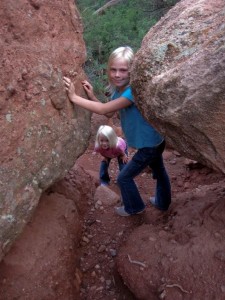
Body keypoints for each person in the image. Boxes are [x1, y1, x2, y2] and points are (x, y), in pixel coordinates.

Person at [63, 46, 171, 217]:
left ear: (132, 71)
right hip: (154, 141)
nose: (117, 74)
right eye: (113, 69)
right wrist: (91, 96)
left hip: (150, 145)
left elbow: (103, 109)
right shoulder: (119, 91)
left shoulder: (131, 92)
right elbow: (108, 112)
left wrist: (74, 98)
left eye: (123, 70)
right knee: (159, 171)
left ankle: (135, 208)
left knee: (123, 178)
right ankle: (163, 202)